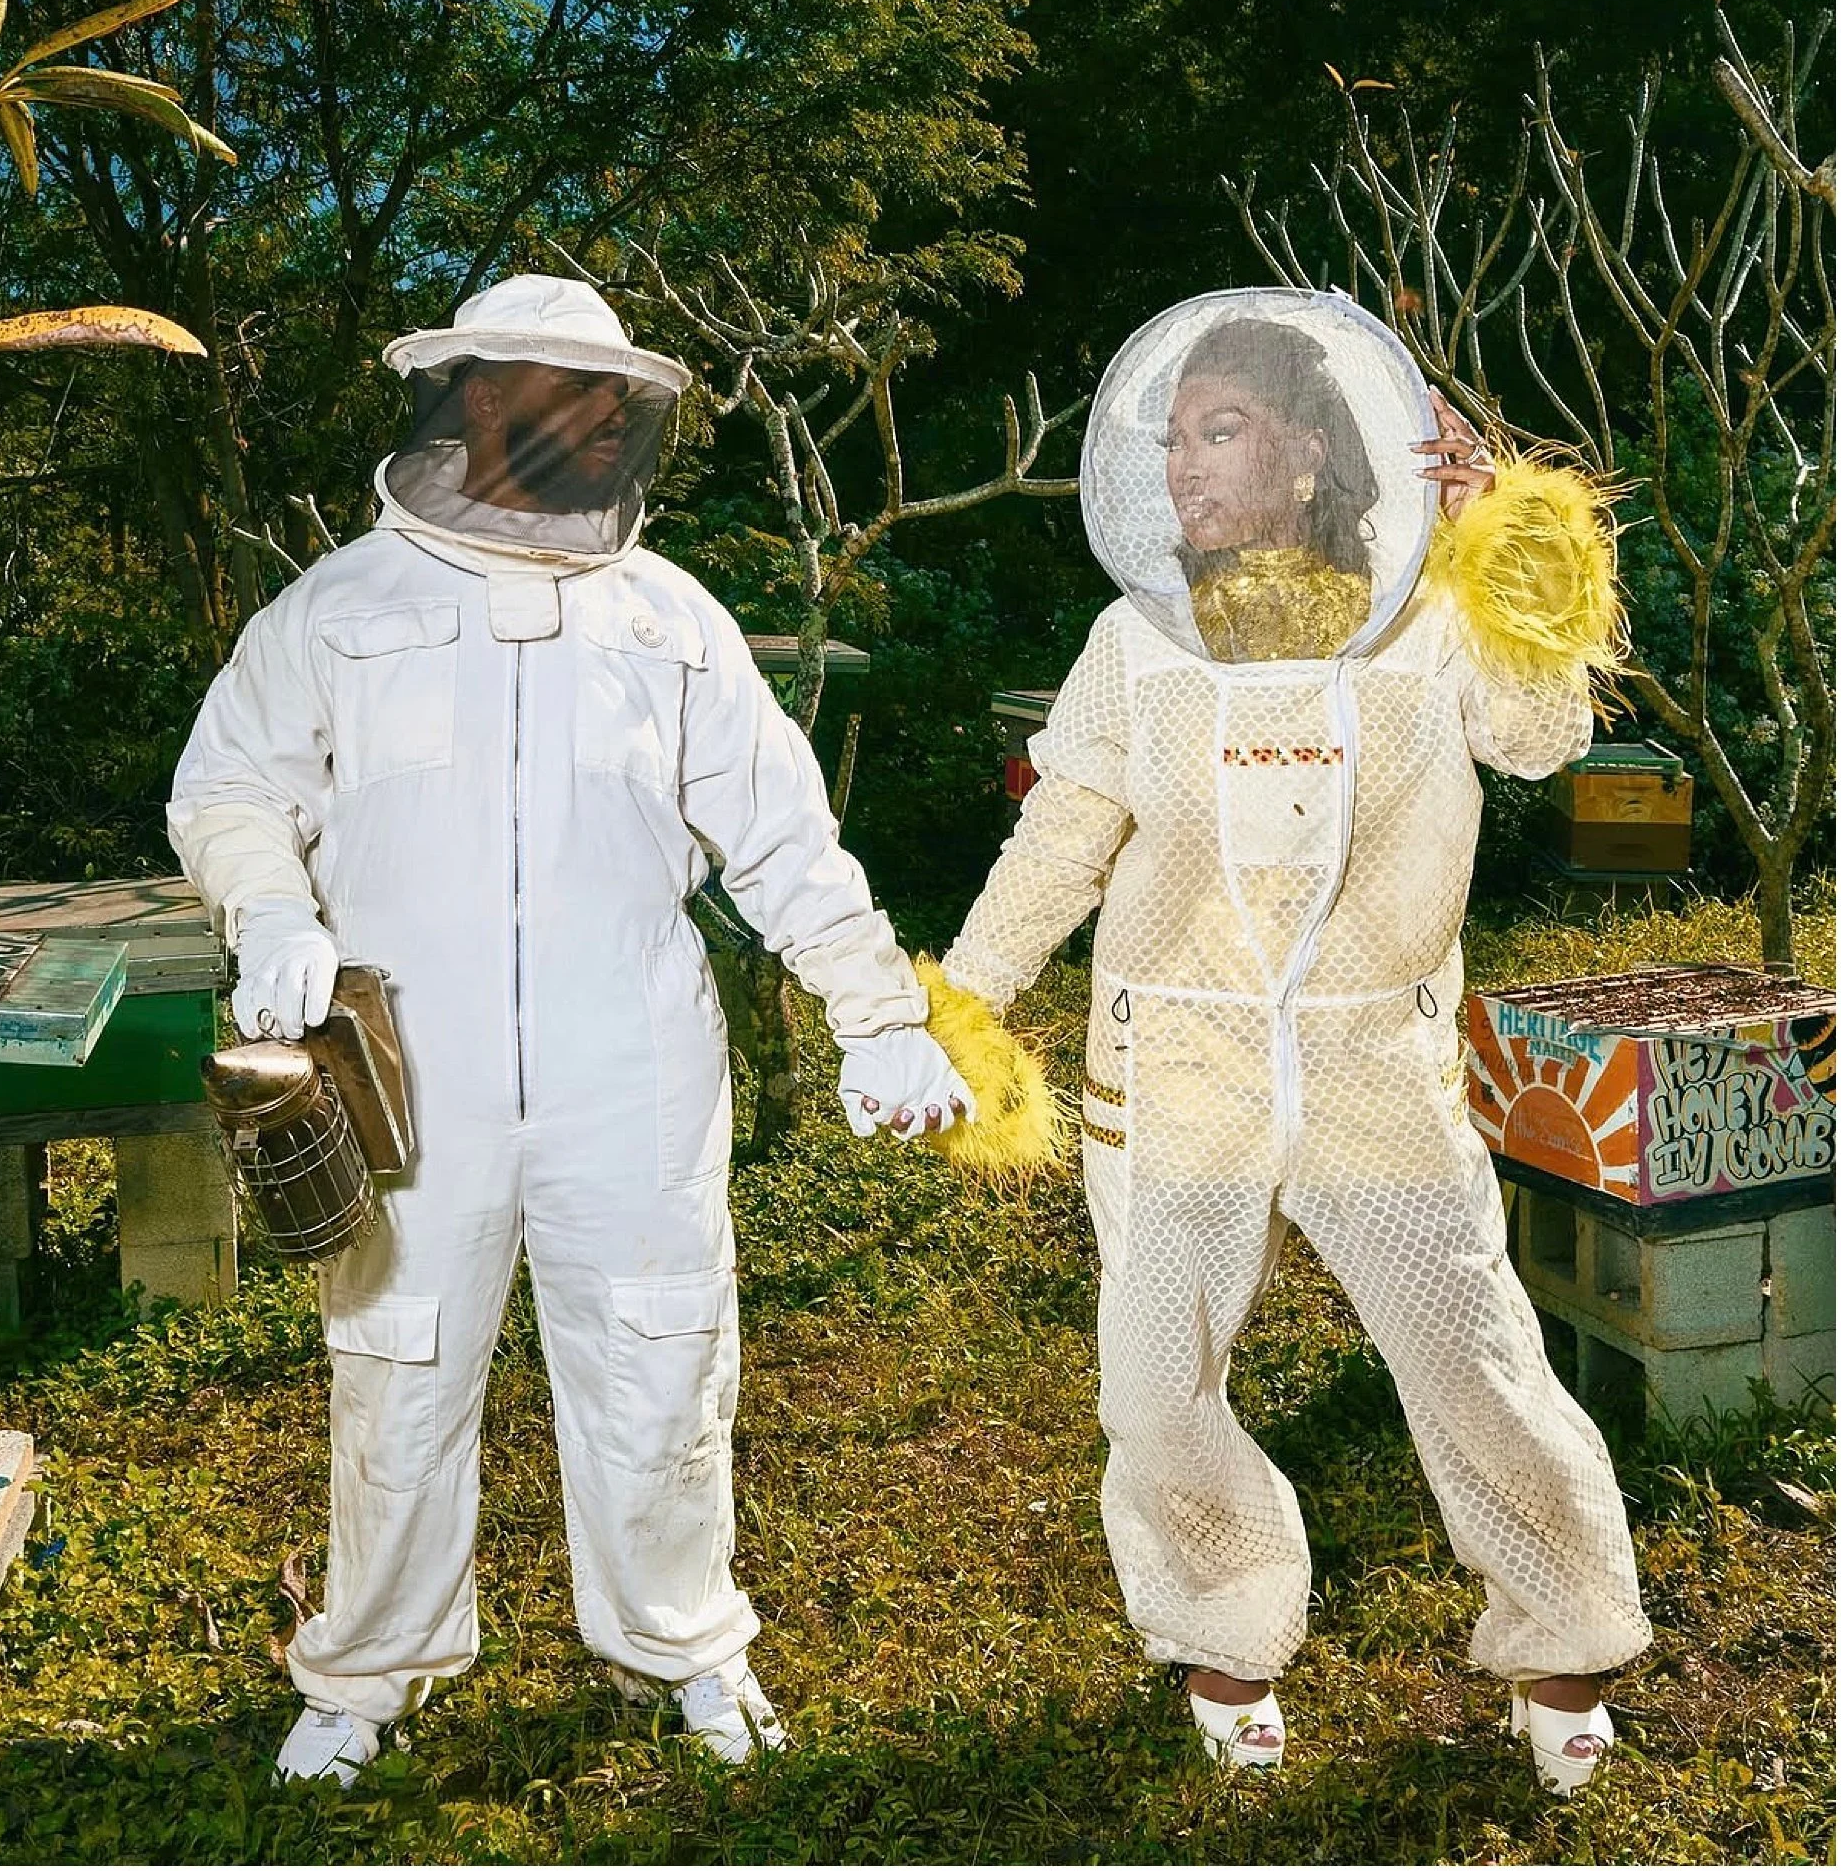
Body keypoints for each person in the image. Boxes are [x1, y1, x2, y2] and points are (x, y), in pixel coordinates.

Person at [168, 273, 975, 1785]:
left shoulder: (670, 618)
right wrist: (271, 914)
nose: (607, 416)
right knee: (396, 1364)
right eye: (571, 389)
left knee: (664, 1356)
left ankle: (686, 1644)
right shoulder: (339, 607)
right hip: (403, 1066)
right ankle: (368, 1669)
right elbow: (226, 791)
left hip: (633, 1059)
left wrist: (876, 1014)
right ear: (477, 396)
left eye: (617, 396)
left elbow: (781, 834)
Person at [936, 287, 1651, 1793]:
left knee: (1472, 1358)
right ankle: (1223, 1630)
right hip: (1174, 1063)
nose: (1181, 465)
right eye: (1171, 436)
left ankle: (1565, 1638)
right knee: (1155, 1381)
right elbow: (1065, 831)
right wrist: (968, 998)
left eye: (1221, 430)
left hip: (1373, 1062)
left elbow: (1543, 739)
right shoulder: (1135, 641)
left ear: (1311, 452)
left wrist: (1501, 545)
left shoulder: (1427, 618)